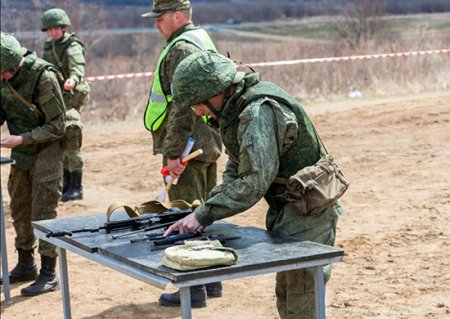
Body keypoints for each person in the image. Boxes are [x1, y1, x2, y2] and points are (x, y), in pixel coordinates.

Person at [165, 50, 344, 318]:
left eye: (198, 103)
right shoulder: (237, 109)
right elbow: (238, 166)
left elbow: (253, 181)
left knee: (301, 297)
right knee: (288, 291)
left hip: (310, 208)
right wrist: (205, 211)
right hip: (290, 206)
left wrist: (204, 214)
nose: (197, 111)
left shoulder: (257, 112)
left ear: (216, 90)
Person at [141, 0, 223, 308]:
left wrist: (174, 152)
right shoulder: (198, 38)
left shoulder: (180, 49)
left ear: (178, 16)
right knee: (203, 210)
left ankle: (191, 288)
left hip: (189, 145)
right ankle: (211, 279)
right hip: (206, 140)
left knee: (183, 213)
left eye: (159, 17)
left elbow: (181, 105)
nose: (155, 23)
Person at [0, 32, 66, 296]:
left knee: (43, 208)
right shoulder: (3, 77)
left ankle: (49, 273)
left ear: (12, 67)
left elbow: (58, 126)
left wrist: (23, 138)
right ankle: (26, 263)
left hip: (47, 147)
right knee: (19, 205)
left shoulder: (43, 77)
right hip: (22, 149)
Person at [41, 8, 90, 201]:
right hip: (55, 100)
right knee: (58, 140)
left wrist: (73, 79)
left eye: (56, 29)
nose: (53, 32)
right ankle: (66, 184)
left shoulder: (72, 46)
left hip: (70, 99)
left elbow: (78, 67)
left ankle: (76, 187)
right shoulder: (49, 46)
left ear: (63, 27)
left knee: (71, 138)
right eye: (49, 29)